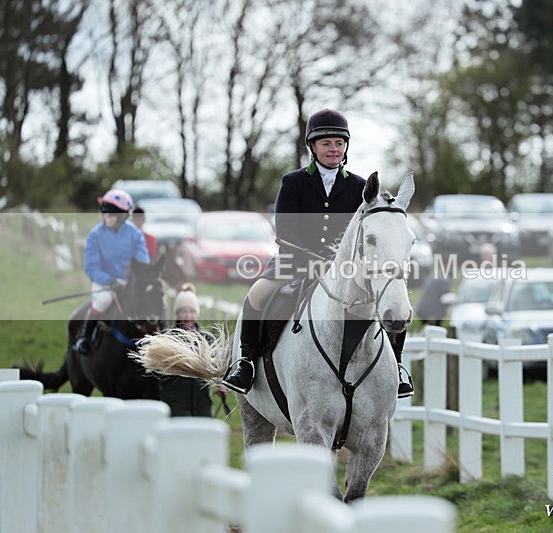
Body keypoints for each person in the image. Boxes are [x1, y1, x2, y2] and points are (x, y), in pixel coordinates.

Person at [222, 108, 414, 398]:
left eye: (339, 143)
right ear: (312, 147)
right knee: (258, 294)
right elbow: (285, 229)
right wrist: (312, 258)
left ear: (346, 146)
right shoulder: (293, 182)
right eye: (326, 143)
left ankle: (396, 367)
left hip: (346, 269)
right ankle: (246, 362)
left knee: (391, 298)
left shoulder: (360, 187)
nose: (333, 149)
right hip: (296, 260)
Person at [73, 189, 150, 356]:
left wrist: (133, 279)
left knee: (152, 296)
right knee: (103, 300)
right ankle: (85, 337)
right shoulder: (94, 235)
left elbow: (143, 261)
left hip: (130, 280)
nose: (106, 217)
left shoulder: (135, 234)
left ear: (123, 215)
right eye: (104, 213)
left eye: (111, 214)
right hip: (104, 282)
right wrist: (110, 281)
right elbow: (91, 267)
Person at [159, 283, 215, 416]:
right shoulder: (167, 339)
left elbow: (216, 369)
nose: (188, 316)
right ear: (177, 313)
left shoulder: (207, 339)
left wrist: (220, 385)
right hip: (176, 407)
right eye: (184, 311)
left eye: (192, 312)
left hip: (202, 406)